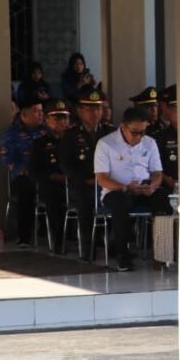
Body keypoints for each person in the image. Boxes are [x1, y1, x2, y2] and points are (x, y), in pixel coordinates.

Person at [94, 107, 168, 271]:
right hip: (116, 190)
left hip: (143, 188)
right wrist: (125, 187)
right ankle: (122, 255)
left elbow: (157, 172)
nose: (139, 137)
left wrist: (153, 185)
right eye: (135, 132)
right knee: (121, 203)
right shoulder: (106, 144)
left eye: (143, 132)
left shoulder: (149, 142)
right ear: (123, 126)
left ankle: (162, 254)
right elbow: (102, 178)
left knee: (163, 199)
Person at [59, 85, 113, 260]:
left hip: (107, 184)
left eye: (97, 108)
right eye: (90, 108)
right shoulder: (71, 135)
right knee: (85, 202)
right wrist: (87, 180)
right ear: (80, 111)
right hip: (82, 185)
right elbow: (67, 166)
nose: (95, 113)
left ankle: (114, 246)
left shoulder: (109, 133)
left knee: (121, 200)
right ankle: (87, 249)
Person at [0, 96, 46, 248]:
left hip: (46, 176)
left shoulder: (47, 131)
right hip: (22, 177)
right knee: (25, 192)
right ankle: (24, 236)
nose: (40, 114)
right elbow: (7, 161)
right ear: (24, 115)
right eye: (36, 112)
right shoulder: (11, 134)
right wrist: (26, 170)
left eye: (41, 111)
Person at [30, 99, 72, 254]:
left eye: (65, 118)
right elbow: (34, 170)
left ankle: (90, 242)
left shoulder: (75, 140)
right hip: (53, 184)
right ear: (48, 120)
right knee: (54, 200)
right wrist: (53, 176)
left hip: (75, 183)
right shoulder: (40, 143)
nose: (63, 122)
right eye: (58, 118)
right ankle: (58, 241)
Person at [154, 86, 179, 195]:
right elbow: (154, 167)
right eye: (175, 107)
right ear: (164, 108)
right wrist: (169, 181)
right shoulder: (161, 136)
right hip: (170, 189)